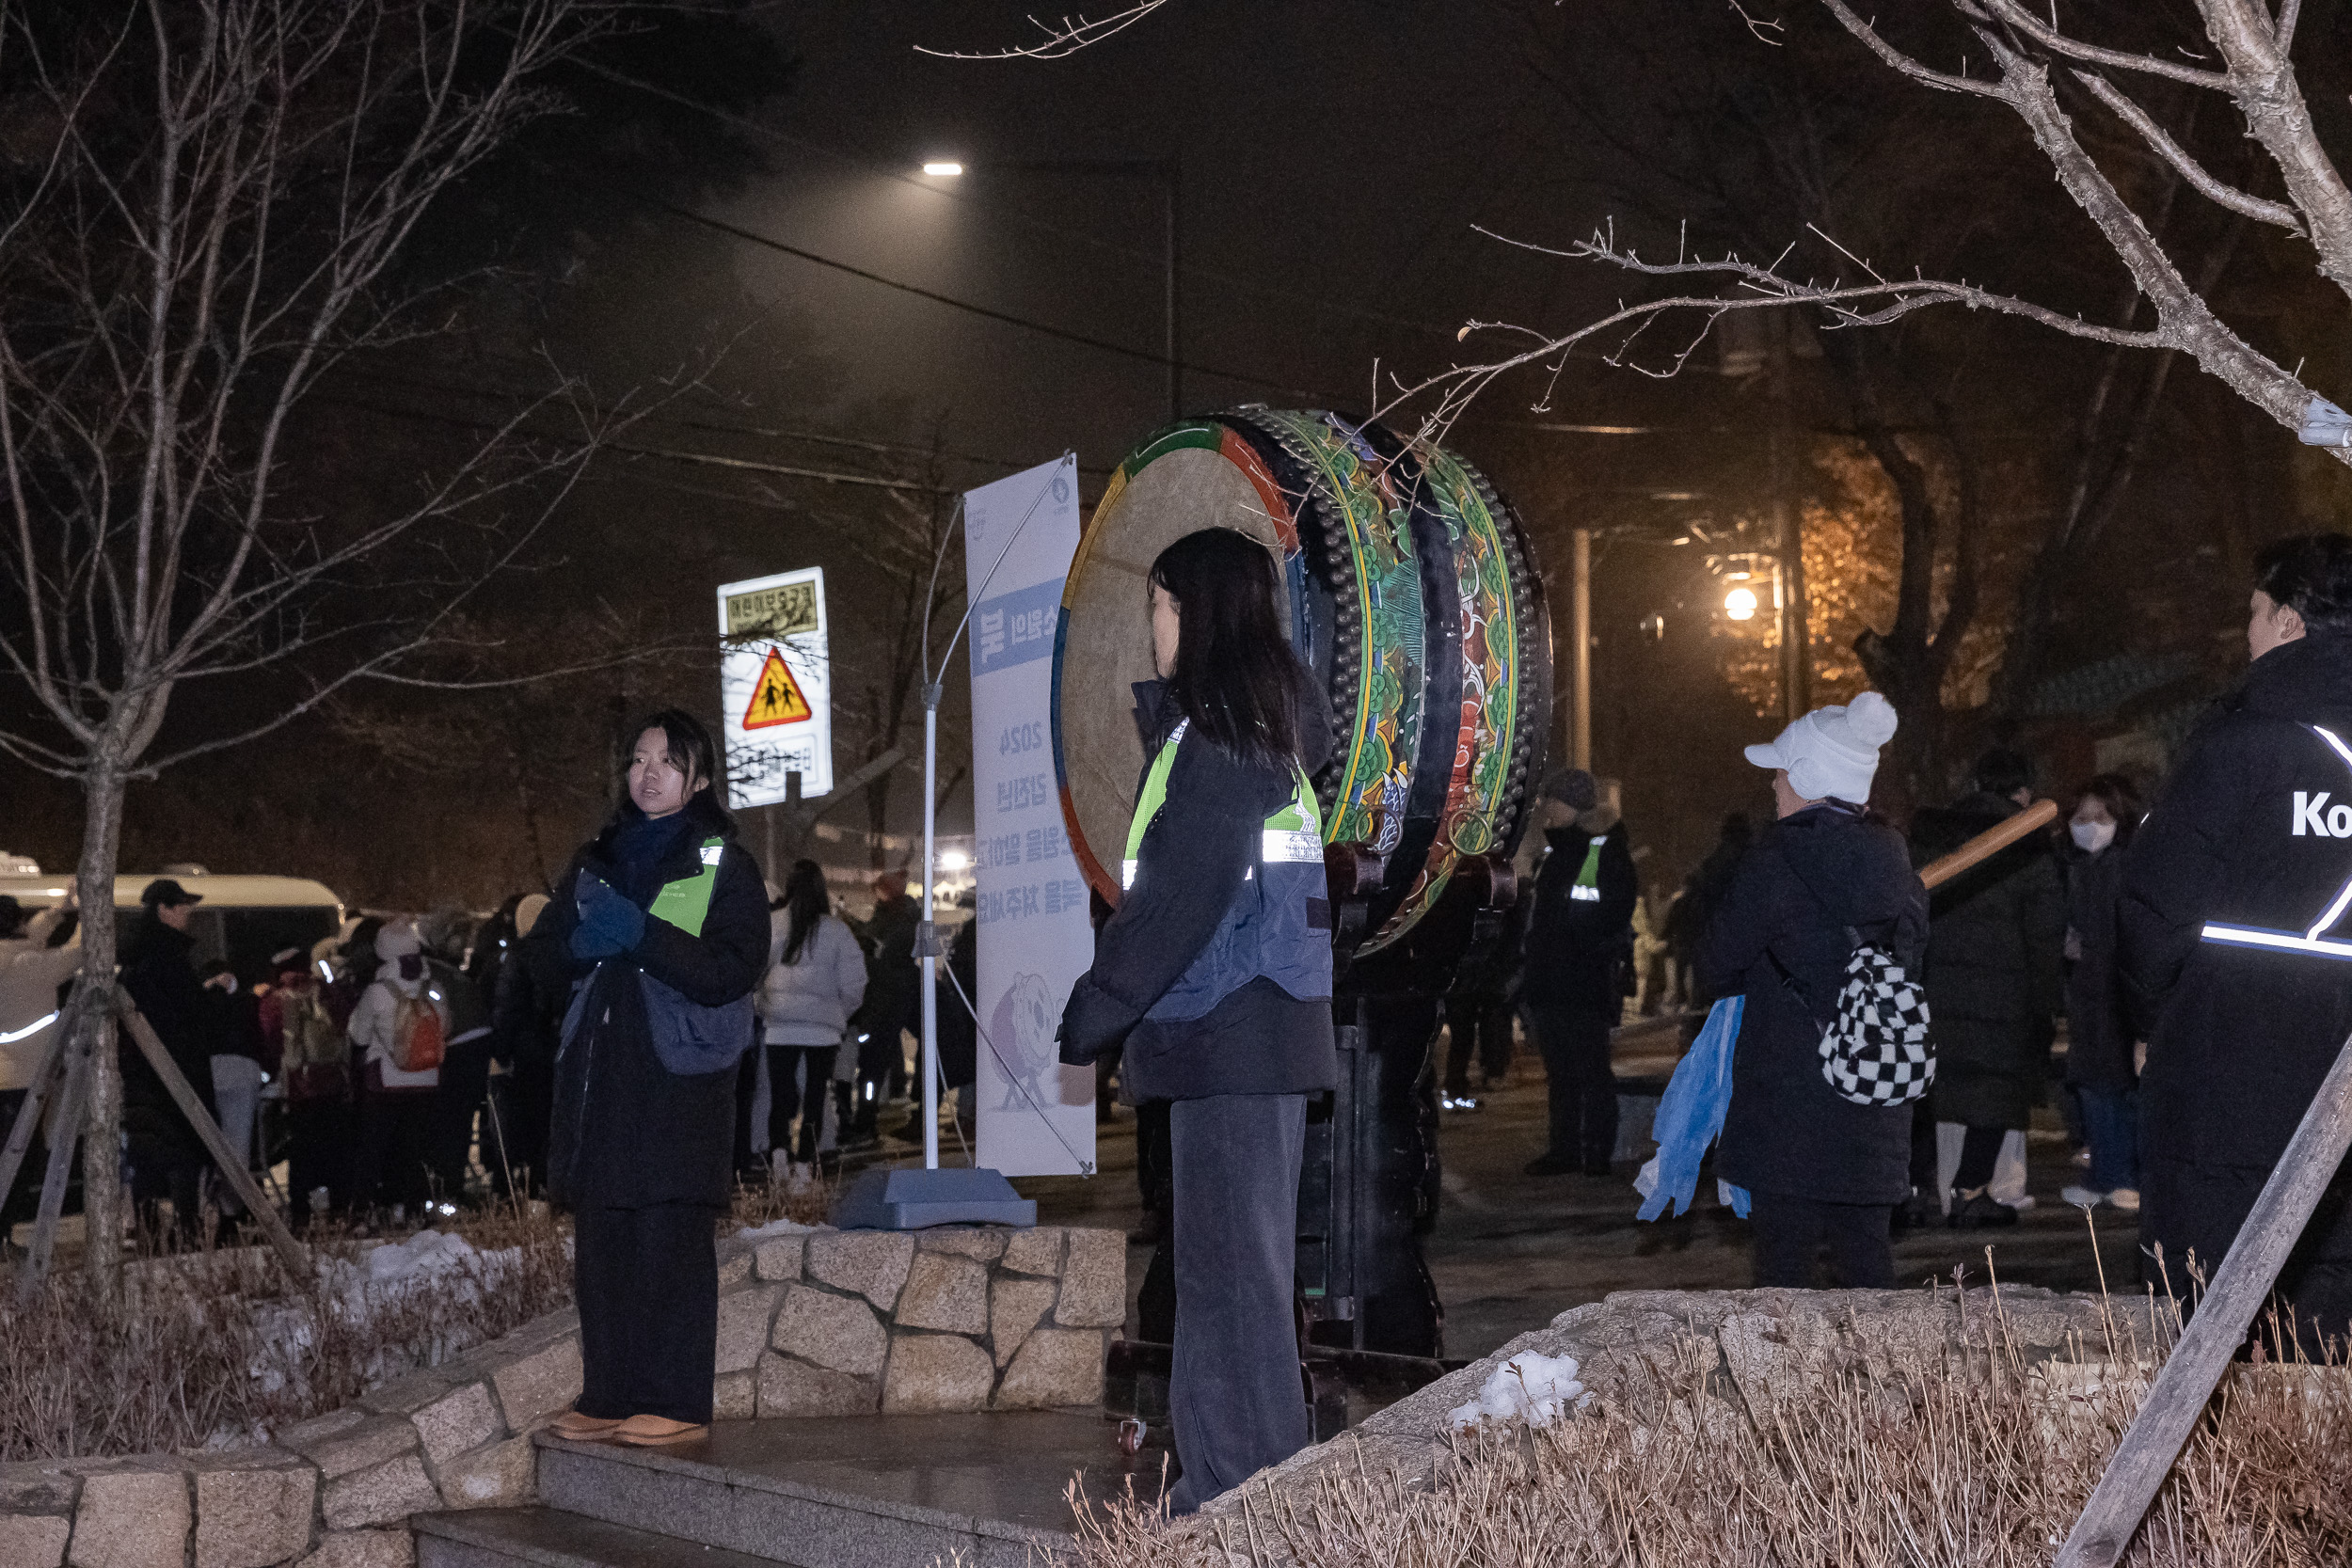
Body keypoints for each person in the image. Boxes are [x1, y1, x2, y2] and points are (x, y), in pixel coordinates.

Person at [1057, 527, 1336, 1513]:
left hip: (1230, 1028)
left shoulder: (1218, 745)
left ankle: (1253, 1497)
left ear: (1202, 612)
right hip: (1234, 1032)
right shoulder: (1233, 732)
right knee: (1220, 1277)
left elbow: (1176, 898)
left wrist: (1097, 1007)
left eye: (1162, 605)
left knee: (1236, 1283)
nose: (1151, 626)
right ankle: (1220, 1489)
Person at [2122, 533, 2352, 1353]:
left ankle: (2239, 1481)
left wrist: (2152, 1019)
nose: (2246, 631)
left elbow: (2155, 903)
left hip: (2230, 1073)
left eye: (2255, 613)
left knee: (2218, 1320)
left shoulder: (2236, 747)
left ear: (2290, 623)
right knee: (2331, 1317)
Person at [541, 708, 766, 1449]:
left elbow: (733, 968)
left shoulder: (722, 863)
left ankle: (675, 1398)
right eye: (639, 759)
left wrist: (641, 937)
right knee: (604, 1242)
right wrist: (574, 943)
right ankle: (608, 1392)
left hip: (678, 1081)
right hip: (602, 1076)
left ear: (698, 776)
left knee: (668, 1238)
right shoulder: (594, 859)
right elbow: (539, 960)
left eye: (667, 761)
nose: (649, 773)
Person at [1700, 693, 1926, 1289]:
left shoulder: (1777, 861)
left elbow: (1716, 963)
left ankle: (1785, 1383)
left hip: (1789, 1096)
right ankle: (1880, 1382)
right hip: (1875, 1084)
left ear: (1806, 777)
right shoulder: (1897, 861)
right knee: (1866, 1259)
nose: (1773, 784)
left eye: (1780, 772)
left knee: (1785, 1266)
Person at [1909, 749, 2066, 1229]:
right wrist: (2047, 1002)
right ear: (2022, 793)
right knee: (1994, 1093)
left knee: (1923, 1093)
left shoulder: (1929, 837)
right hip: (2004, 995)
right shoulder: (2029, 845)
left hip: (1931, 987)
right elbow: (2045, 932)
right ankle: (1971, 1190)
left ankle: (1912, 1190)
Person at [1518, 768, 1638, 1177]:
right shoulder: (1554, 856)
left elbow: (1608, 913)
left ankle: (1595, 1153)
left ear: (1571, 805)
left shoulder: (1600, 852)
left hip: (1583, 983)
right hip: (1555, 982)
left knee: (1589, 1071)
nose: (1544, 808)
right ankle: (1566, 1149)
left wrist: (1581, 949)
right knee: (1563, 1073)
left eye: (1551, 800)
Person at [2059, 774, 2145, 1213]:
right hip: (2095, 996)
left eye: (2101, 817)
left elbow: (2115, 934)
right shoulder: (2085, 868)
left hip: (2113, 995)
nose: (2090, 826)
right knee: (2099, 1089)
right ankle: (2105, 1177)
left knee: (2112, 1090)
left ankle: (2119, 1177)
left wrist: (2082, 944)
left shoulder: (2118, 868)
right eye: (2081, 818)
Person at [753, 860, 866, 1177]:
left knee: (779, 1095)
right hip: (823, 1032)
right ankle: (804, 1165)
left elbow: (753, 974)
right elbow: (855, 983)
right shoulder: (837, 931)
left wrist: (762, 1004)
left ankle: (778, 1156)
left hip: (779, 1027)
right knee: (816, 1097)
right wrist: (837, 1013)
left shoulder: (772, 925)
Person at [348, 922, 447, 1213]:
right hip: (427, 1078)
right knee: (414, 1148)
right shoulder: (434, 987)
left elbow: (358, 1035)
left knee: (374, 1147)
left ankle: (365, 1208)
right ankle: (415, 1207)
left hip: (386, 1082)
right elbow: (446, 1026)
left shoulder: (377, 992)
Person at [260, 944, 350, 1226]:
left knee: (301, 1149)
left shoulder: (274, 1001)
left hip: (299, 1087)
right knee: (336, 1147)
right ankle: (339, 1208)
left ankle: (301, 1211)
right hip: (333, 1082)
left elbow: (270, 1039)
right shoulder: (328, 992)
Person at [487, 893, 564, 1197]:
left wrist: (501, 1051)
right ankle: (548, 1184)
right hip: (557, 1050)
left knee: (523, 1121)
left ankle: (522, 1188)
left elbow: (506, 1008)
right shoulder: (564, 954)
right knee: (551, 1120)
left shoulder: (519, 956)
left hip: (525, 1052)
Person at [848, 873, 918, 1144]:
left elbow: (883, 953)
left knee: (872, 1065)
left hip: (885, 998)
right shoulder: (899, 917)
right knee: (874, 1063)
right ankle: (867, 1116)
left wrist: (862, 939)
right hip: (886, 997)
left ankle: (865, 1120)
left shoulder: (899, 921)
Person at [198, 958, 268, 1224]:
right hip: (242, 1070)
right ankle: (233, 1209)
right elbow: (258, 1039)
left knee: (210, 1141)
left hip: (210, 1070)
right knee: (238, 1143)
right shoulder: (245, 1004)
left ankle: (208, 1203)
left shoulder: (199, 1005)